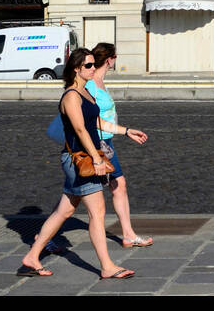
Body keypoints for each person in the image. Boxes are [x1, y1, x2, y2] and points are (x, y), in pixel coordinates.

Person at [20, 49, 134, 279]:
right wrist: (96, 158)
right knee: (98, 212)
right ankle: (107, 266)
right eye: (89, 65)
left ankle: (32, 257)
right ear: (76, 69)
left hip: (83, 159)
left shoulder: (86, 93)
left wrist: (126, 131)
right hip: (80, 160)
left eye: (94, 64)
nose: (94, 68)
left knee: (65, 210)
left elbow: (96, 122)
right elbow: (80, 130)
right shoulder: (72, 96)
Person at [85, 43, 153, 248]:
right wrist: (125, 130)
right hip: (96, 143)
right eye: (115, 57)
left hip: (106, 140)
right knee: (75, 197)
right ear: (109, 59)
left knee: (115, 185)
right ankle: (128, 234)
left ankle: (128, 233)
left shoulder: (100, 81)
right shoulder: (91, 85)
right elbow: (88, 118)